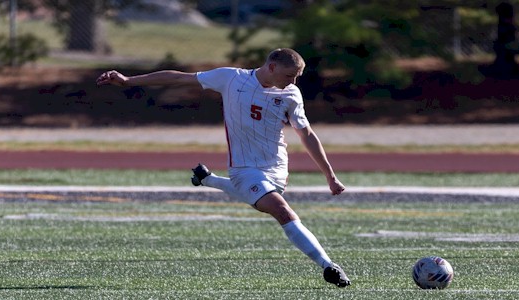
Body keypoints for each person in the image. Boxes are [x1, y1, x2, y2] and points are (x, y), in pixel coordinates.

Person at [95, 48, 351, 288]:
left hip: (277, 168)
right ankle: (328, 265)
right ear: (272, 67)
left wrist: (330, 176)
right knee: (281, 211)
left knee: (261, 199)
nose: (293, 82)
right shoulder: (231, 78)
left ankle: (207, 180)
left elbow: (306, 134)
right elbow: (179, 78)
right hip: (244, 168)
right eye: (289, 76)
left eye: (296, 77)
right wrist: (129, 81)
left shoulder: (291, 94)